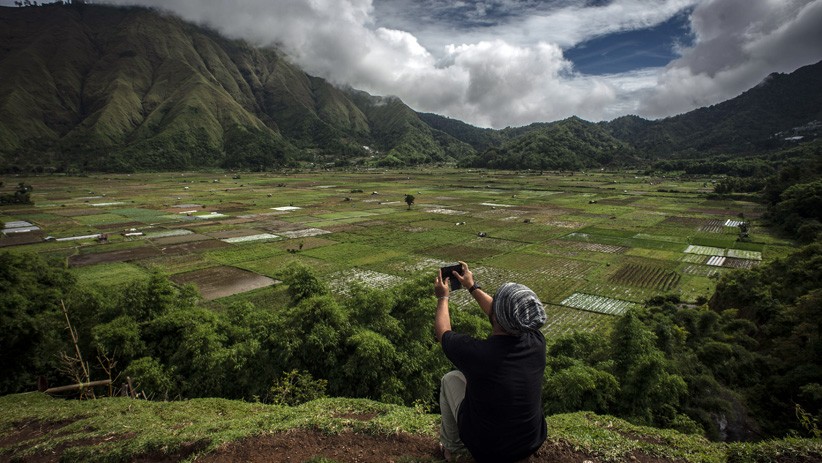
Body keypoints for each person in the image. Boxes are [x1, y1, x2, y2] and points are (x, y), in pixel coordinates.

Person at [434, 261, 547, 463]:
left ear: (497, 315)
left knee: (450, 379)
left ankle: (454, 449)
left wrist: (443, 297)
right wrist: (471, 286)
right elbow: (502, 314)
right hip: (529, 442)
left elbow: (443, 332)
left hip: (488, 451)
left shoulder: (479, 354)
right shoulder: (536, 343)